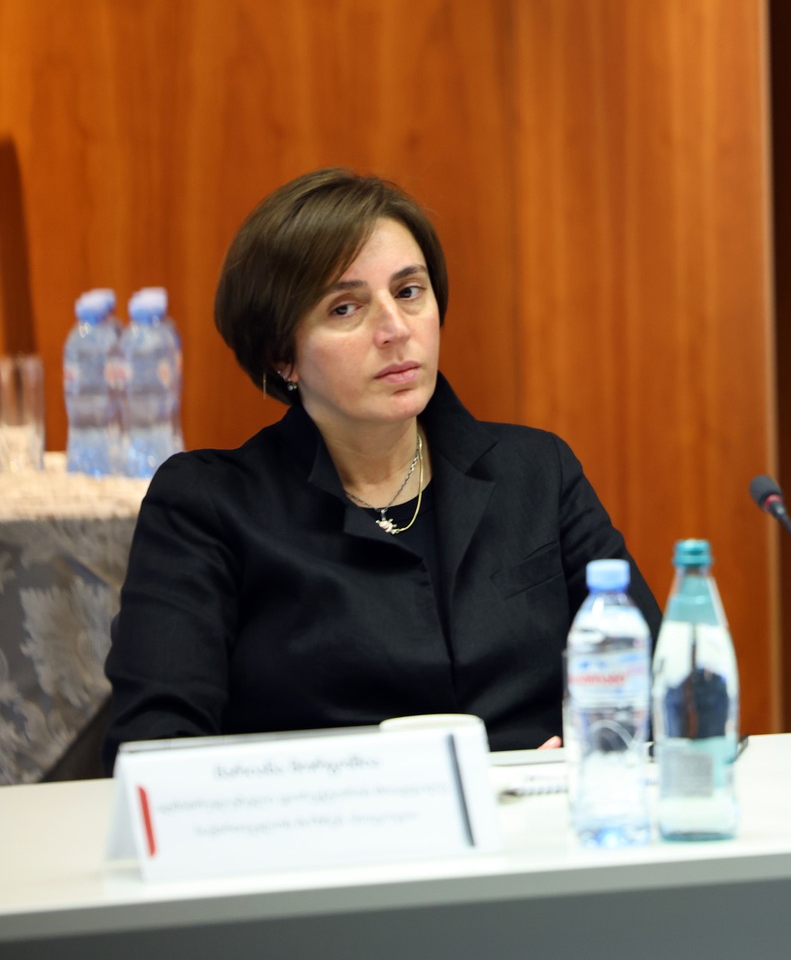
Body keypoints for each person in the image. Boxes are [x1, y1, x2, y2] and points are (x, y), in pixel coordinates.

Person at [104, 169, 661, 765]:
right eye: (345, 307)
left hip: (544, 811)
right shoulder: (208, 507)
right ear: (282, 356)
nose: (395, 330)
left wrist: (586, 757)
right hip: (333, 820)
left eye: (409, 291)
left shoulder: (536, 472)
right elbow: (155, 748)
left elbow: (659, 678)